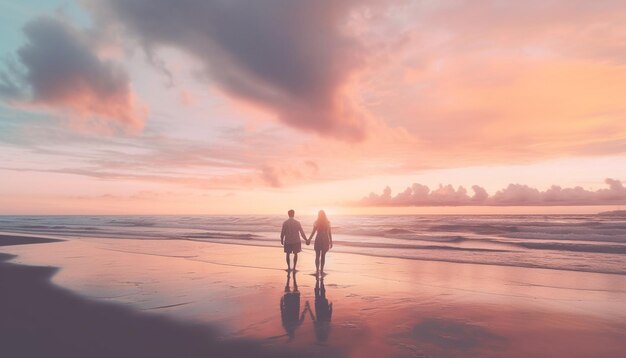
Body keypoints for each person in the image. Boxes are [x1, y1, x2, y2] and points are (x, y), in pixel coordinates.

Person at [279, 271, 308, 341]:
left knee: (292, 290)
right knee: (292, 290)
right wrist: (306, 308)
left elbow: (283, 313)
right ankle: (291, 278)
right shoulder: (291, 325)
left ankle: (290, 278)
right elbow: (302, 316)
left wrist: (306, 308)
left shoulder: (293, 325)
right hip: (293, 304)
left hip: (291, 304)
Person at [307, 210, 333, 275]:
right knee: (323, 256)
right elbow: (329, 233)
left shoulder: (317, 222)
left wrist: (309, 239)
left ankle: (317, 270)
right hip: (325, 238)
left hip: (318, 237)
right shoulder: (327, 222)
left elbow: (313, 232)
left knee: (317, 255)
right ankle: (321, 270)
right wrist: (331, 241)